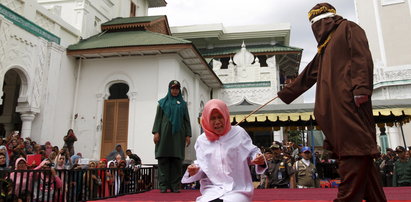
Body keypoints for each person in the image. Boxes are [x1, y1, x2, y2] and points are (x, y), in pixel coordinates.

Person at [277, 3, 386, 201]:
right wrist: (285, 93)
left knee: (354, 151)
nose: (315, 30)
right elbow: (309, 74)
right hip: (333, 108)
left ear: (327, 20)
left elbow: (362, 57)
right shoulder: (325, 47)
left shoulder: (349, 28)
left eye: (316, 24)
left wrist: (361, 88)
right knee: (361, 156)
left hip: (350, 103)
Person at [181, 99, 266, 202]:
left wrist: (258, 159)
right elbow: (202, 166)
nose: (217, 122)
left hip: (237, 189)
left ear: (225, 116)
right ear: (206, 119)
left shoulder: (238, 133)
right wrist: (194, 170)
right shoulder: (202, 140)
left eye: (220, 117)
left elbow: (253, 152)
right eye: (212, 118)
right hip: (212, 190)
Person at [152, 80, 192, 193]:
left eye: (177, 88)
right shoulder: (162, 103)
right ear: (169, 89)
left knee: (176, 161)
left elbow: (186, 120)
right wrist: (156, 132)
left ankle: (175, 186)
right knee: (163, 159)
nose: (175, 90)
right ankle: (163, 186)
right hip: (164, 136)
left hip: (178, 136)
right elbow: (158, 119)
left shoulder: (183, 104)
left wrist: (188, 135)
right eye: (173, 88)